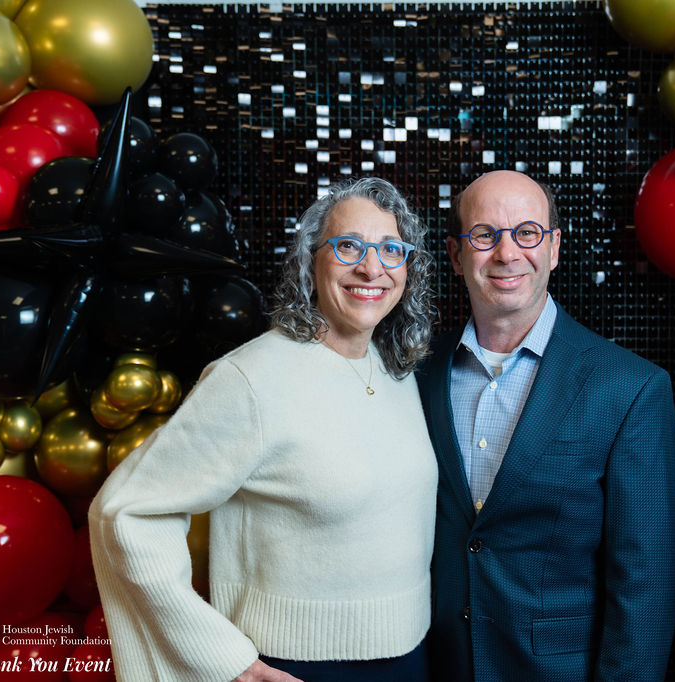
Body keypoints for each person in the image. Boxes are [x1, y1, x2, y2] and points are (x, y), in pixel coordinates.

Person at [89, 177, 438, 682]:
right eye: (348, 246)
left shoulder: (396, 371)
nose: (371, 267)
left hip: (411, 658)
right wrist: (226, 660)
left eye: (390, 249)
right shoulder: (251, 379)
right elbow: (125, 512)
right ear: (310, 262)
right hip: (297, 665)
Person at [418, 170, 675, 681]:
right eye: (484, 235)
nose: (507, 253)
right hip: (436, 666)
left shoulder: (629, 388)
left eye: (527, 233)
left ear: (554, 247)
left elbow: (646, 581)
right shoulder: (417, 374)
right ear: (455, 254)